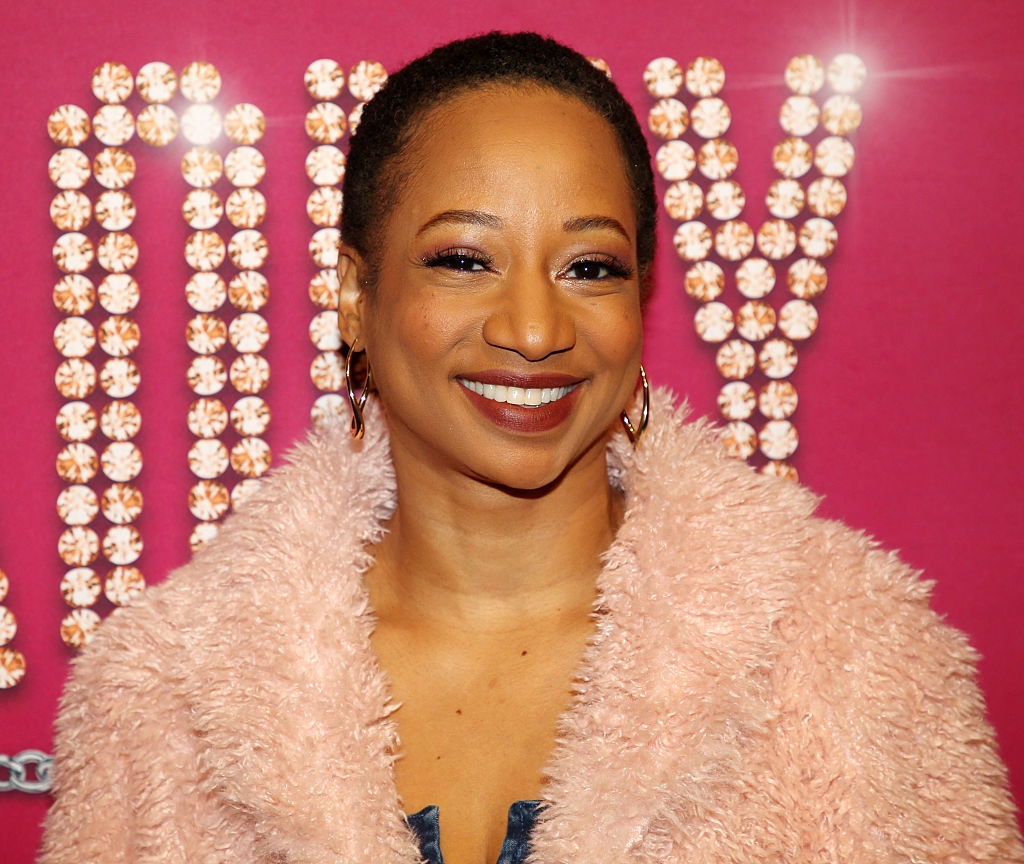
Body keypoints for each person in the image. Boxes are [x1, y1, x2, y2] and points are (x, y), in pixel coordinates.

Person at [40, 31, 1022, 864]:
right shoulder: (161, 694)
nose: (534, 327)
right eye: (464, 259)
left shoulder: (850, 655)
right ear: (354, 293)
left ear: (637, 299)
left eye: (588, 266)